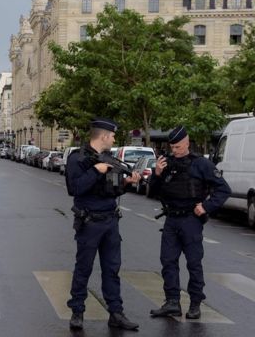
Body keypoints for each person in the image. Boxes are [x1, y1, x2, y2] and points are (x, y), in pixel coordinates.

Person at [65, 118, 141, 331]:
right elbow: (75, 188)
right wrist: (95, 171)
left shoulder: (109, 159)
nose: (115, 138)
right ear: (104, 136)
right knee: (83, 269)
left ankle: (116, 313)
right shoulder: (77, 158)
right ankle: (77, 312)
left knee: (112, 268)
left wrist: (126, 183)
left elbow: (113, 190)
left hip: (110, 221)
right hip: (89, 222)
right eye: (113, 135)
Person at [149, 126, 230, 319]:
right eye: (172, 147)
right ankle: (172, 302)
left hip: (190, 221)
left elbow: (223, 189)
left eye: (177, 147)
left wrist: (207, 207)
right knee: (168, 261)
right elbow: (152, 192)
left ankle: (195, 304)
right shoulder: (165, 163)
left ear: (187, 142)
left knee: (194, 263)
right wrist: (157, 174)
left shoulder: (201, 164)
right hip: (171, 220)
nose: (174, 150)